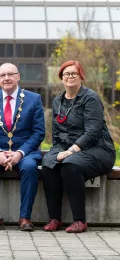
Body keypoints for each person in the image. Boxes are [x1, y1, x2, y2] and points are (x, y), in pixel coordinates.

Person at [41, 60, 115, 233]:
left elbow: (92, 132)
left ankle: (80, 221)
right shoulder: (58, 100)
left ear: (81, 76)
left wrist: (70, 151)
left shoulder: (90, 98)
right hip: (69, 149)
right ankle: (54, 219)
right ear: (61, 78)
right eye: (66, 74)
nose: (70, 77)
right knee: (48, 165)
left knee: (70, 165)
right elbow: (57, 133)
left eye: (74, 73)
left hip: (98, 149)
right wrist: (55, 152)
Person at [0, 63, 45, 231]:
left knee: (30, 168)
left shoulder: (33, 99)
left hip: (25, 151)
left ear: (18, 76)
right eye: (2, 75)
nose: (6, 78)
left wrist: (20, 154)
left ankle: (25, 218)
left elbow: (38, 133)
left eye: (10, 74)